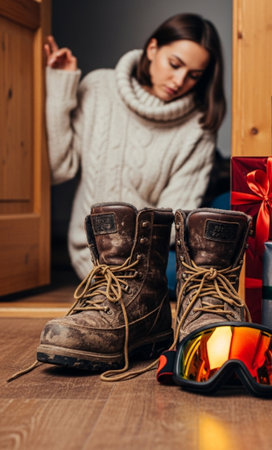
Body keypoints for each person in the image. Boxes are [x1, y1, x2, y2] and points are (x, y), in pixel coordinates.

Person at [44, 13, 226, 283]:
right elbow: (59, 168)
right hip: (99, 253)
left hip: (158, 245)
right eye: (174, 64)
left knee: (236, 207)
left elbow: (175, 220)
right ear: (152, 49)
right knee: (191, 275)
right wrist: (61, 86)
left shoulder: (198, 125)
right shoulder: (99, 88)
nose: (179, 81)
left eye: (194, 75)